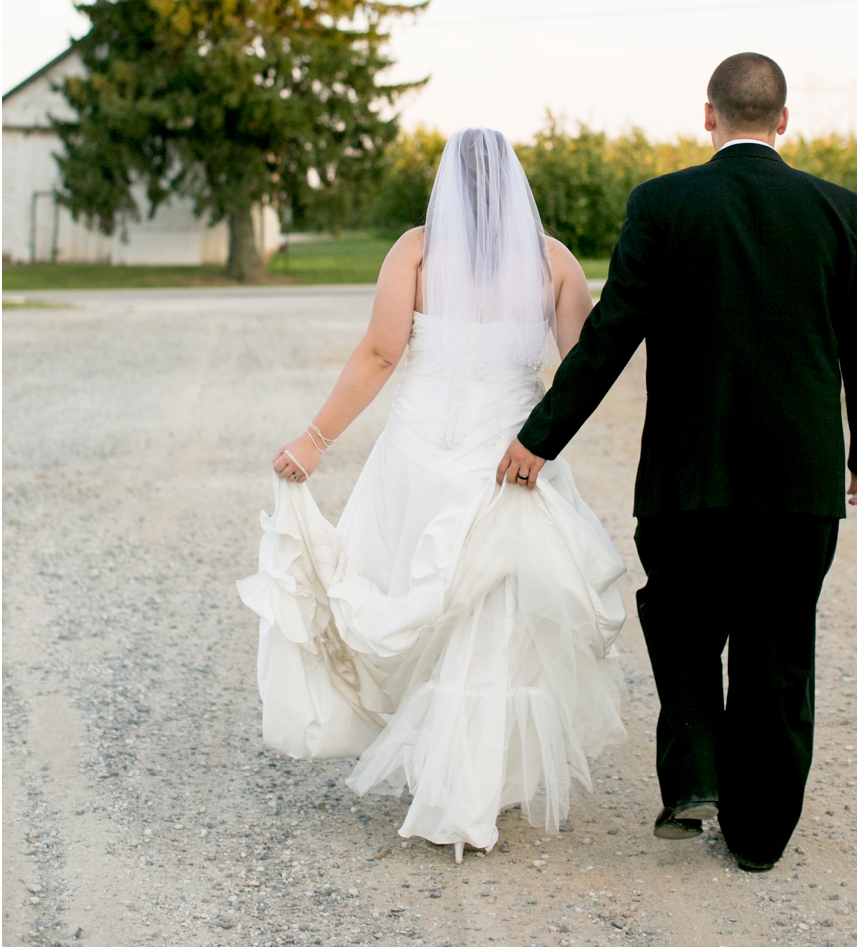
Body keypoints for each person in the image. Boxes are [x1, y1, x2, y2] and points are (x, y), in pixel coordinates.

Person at [498, 53, 857, 873]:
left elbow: (610, 334)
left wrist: (540, 436)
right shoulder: (840, 211)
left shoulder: (663, 203)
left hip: (688, 477)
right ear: (782, 121)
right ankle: (759, 838)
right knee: (778, 647)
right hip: (797, 484)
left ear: (708, 115)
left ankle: (693, 779)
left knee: (680, 624)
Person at [238, 128, 627, 863]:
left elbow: (383, 353)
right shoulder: (554, 262)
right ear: (515, 184)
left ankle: (454, 783)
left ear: (447, 180)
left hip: (420, 456)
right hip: (510, 460)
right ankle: (471, 784)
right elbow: (583, 366)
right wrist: (547, 442)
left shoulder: (415, 250)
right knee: (492, 621)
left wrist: (315, 439)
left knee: (421, 601)